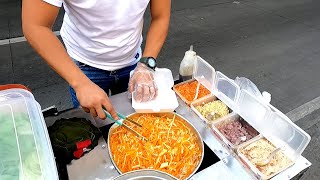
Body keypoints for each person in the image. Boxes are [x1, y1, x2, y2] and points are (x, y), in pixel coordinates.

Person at [22, 0, 171, 120]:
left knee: (140, 122)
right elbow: (35, 25)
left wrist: (146, 64)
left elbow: (161, 16)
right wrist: (80, 84)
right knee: (93, 127)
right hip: (84, 67)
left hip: (134, 63)